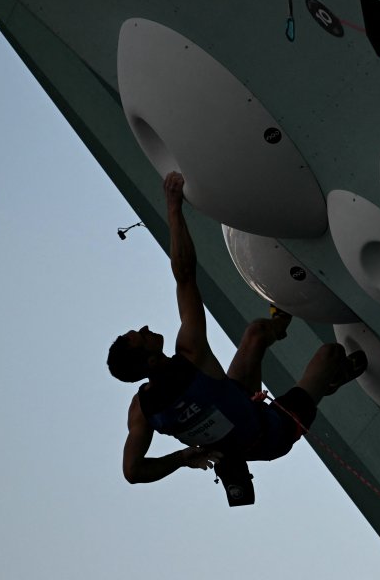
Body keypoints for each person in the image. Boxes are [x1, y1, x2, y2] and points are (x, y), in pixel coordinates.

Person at [107, 171, 365, 503]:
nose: (143, 329)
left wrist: (183, 458)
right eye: (138, 337)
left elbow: (133, 471)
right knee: (331, 354)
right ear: (149, 359)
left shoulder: (141, 408)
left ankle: (279, 327)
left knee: (258, 333)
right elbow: (185, 275)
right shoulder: (190, 354)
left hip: (237, 396)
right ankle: (330, 380)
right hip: (273, 432)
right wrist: (173, 208)